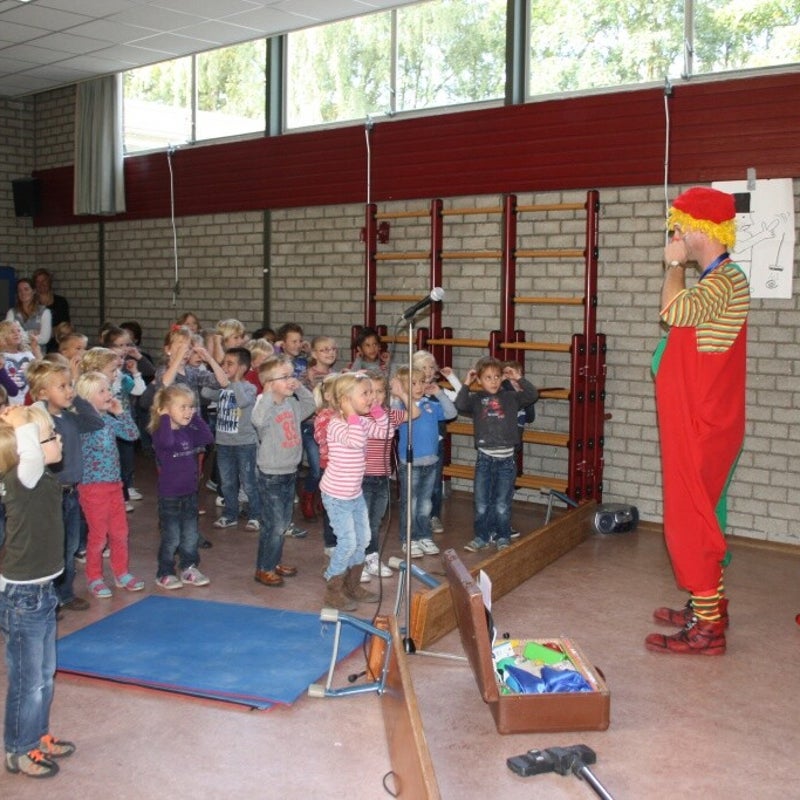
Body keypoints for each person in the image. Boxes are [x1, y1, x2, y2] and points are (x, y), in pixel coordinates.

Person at [646, 186, 749, 657]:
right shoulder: (719, 280)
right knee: (704, 515)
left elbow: (672, 311)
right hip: (704, 418)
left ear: (698, 229)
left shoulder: (723, 281)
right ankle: (707, 605)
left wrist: (673, 265)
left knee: (690, 521)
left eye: (679, 226)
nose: (675, 234)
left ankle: (708, 631)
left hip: (703, 422)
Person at [0, 404, 76, 779]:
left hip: (42, 592)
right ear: (27, 447)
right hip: (22, 597)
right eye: (51, 436)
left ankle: (37, 735)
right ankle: (18, 749)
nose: (58, 439)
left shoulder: (41, 476)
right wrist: (20, 424)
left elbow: (37, 449)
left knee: (45, 674)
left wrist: (34, 416)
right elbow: (28, 450)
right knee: (28, 680)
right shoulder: (20, 477)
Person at [28, 358, 103, 612]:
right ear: (41, 393)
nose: (69, 390)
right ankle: (47, 597)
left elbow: (96, 421)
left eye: (70, 385)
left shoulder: (70, 419)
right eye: (62, 386)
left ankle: (65, 593)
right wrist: (40, 403)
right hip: (50, 495)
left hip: (72, 493)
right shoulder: (40, 421)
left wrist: (76, 397)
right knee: (52, 547)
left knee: (70, 545)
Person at [454, 357, 538, 552]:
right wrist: (467, 382)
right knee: (481, 503)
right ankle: (481, 536)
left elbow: (532, 395)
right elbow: (460, 404)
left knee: (502, 503)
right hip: (484, 459)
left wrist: (519, 378)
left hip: (506, 461)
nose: (492, 381)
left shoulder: (511, 398)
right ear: (480, 380)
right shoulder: (476, 400)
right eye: (487, 377)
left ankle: (502, 536)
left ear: (502, 379)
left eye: (496, 377)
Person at [74, 371, 144, 599]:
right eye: (102, 391)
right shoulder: (82, 423)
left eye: (109, 389)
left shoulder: (109, 421)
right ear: (85, 397)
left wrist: (120, 412)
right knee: (99, 536)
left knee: (120, 532)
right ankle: (94, 577)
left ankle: (121, 572)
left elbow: (133, 435)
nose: (109, 394)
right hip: (92, 487)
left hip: (114, 485)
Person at [320, 372, 387, 610]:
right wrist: (350, 415)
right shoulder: (337, 425)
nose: (371, 397)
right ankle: (333, 587)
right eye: (365, 393)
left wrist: (377, 410)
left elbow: (385, 432)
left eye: (372, 392)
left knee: (363, 539)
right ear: (345, 400)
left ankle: (352, 584)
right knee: (347, 543)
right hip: (337, 496)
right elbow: (357, 441)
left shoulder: (361, 421)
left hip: (354, 494)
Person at [250, 355, 315, 587]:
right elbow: (257, 420)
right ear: (268, 383)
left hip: (289, 470)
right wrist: (268, 393)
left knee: (282, 522)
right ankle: (264, 567)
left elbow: (310, 406)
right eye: (285, 377)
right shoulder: (264, 404)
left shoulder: (292, 404)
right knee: (274, 524)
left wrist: (302, 388)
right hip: (271, 474)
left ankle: (273, 561)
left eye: (292, 375)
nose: (291, 380)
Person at [148, 384, 214, 590]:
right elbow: (167, 443)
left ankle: (189, 566)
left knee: (190, 534)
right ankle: (165, 571)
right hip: (170, 496)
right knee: (172, 536)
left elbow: (207, 438)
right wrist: (166, 417)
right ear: (166, 409)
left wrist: (194, 417)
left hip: (189, 493)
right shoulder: (160, 432)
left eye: (191, 407)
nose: (189, 411)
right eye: (183, 407)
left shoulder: (188, 432)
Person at [393, 364, 456, 558]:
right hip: (410, 463)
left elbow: (451, 413)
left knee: (425, 503)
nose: (419, 387)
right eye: (413, 383)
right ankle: (408, 538)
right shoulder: (400, 408)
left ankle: (424, 535)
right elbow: (392, 411)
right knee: (410, 503)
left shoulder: (431, 405)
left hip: (430, 462)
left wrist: (439, 393)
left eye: (421, 382)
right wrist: (400, 394)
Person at [362, 371, 417, 578]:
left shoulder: (390, 414)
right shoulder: (360, 415)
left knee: (375, 521)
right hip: (363, 477)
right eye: (369, 392)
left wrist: (403, 395)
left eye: (379, 391)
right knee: (363, 521)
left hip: (383, 477)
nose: (374, 397)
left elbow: (415, 413)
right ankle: (358, 562)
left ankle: (372, 557)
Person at [412, 350, 463, 535]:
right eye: (422, 367)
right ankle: (415, 518)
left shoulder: (438, 391)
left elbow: (461, 397)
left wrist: (452, 378)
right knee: (415, 485)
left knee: (433, 484)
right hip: (416, 445)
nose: (427, 371)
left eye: (430, 367)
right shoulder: (410, 391)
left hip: (435, 446)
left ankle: (433, 516)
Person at [212, 347, 262, 532]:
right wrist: (218, 376)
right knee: (227, 482)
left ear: (242, 368)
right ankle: (230, 514)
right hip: (224, 443)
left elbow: (242, 401)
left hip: (245, 444)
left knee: (249, 481)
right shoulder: (223, 387)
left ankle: (255, 515)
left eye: (230, 364)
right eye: (224, 363)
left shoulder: (249, 388)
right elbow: (205, 394)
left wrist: (234, 380)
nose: (225, 367)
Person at [298, 335, 339, 520]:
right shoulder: (306, 375)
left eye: (333, 349)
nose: (330, 353)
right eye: (324, 349)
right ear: (314, 353)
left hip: (331, 429)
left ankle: (324, 499)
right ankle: (307, 497)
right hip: (311, 428)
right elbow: (305, 401)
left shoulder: (337, 376)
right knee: (316, 468)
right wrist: (313, 384)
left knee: (328, 467)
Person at [0, 320, 39, 405]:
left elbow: (41, 369)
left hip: (30, 401)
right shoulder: (2, 356)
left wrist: (35, 349)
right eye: (11, 331)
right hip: (9, 403)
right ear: (2, 336)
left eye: (18, 331)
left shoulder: (28, 354)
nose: (16, 333)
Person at [6, 278, 52, 348]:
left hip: (37, 355)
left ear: (33, 291)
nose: (23, 292)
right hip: (16, 355)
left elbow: (44, 339)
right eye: (19, 290)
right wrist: (31, 333)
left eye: (26, 289)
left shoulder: (45, 312)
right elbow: (6, 335)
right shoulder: (12, 312)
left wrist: (17, 336)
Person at [32, 268, 70, 352]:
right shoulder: (31, 303)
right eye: (38, 281)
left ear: (49, 282)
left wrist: (45, 331)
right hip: (37, 346)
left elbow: (65, 326)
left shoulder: (61, 302)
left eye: (44, 281)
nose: (41, 284)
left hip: (57, 345)